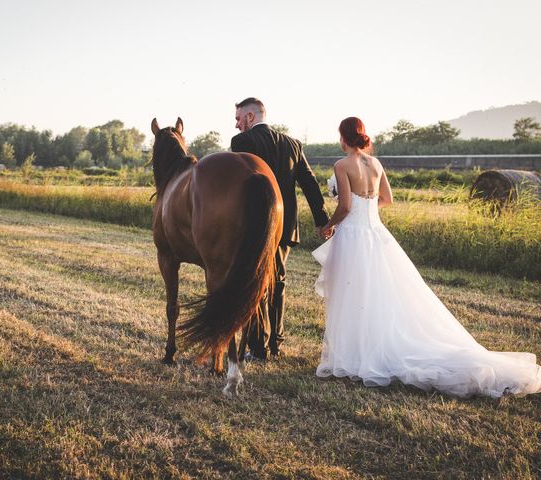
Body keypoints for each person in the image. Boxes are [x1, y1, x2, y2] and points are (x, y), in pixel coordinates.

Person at [313, 116, 541, 397]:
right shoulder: (376, 164)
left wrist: (329, 224)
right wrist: (368, 210)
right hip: (375, 232)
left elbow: (345, 205)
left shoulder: (342, 165)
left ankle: (355, 356)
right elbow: (387, 199)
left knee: (353, 295)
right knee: (378, 294)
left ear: (343, 137)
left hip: (353, 235)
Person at [231, 97, 330, 360]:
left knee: (255, 282)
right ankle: (275, 343)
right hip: (285, 226)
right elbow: (309, 184)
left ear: (251, 117)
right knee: (278, 281)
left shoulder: (242, 143)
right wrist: (323, 220)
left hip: (255, 225)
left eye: (239, 118)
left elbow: (236, 185)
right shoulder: (292, 144)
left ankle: (257, 346)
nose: (237, 123)